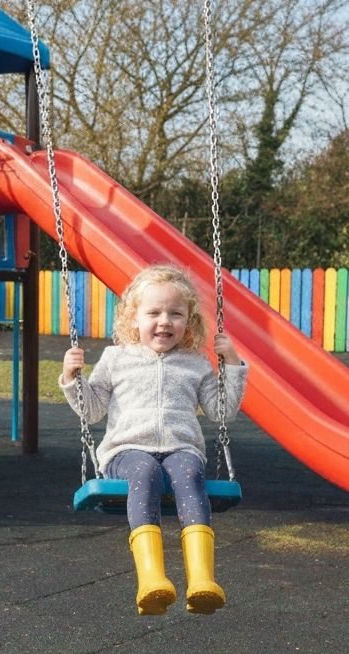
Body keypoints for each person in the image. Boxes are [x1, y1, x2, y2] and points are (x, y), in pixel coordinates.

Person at [59, 264, 248, 616]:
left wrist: (232, 365)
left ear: (189, 321)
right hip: (126, 451)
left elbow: (221, 412)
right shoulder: (116, 359)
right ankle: (151, 579)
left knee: (191, 474)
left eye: (175, 314)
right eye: (154, 313)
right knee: (143, 472)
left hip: (180, 448)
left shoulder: (196, 363)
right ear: (134, 318)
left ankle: (202, 580)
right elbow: (94, 409)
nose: (164, 321)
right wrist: (73, 378)